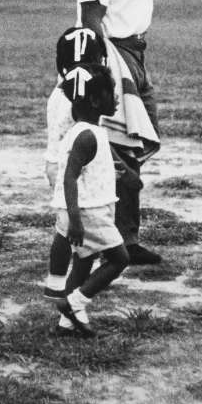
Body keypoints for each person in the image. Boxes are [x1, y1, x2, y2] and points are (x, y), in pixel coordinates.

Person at [72, 0, 162, 265]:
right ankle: (108, 241)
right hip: (111, 55)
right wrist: (104, 75)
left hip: (136, 52)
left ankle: (124, 236)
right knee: (118, 152)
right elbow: (91, 21)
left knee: (137, 145)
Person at [50, 64, 130, 338]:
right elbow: (69, 179)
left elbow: (85, 170)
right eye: (112, 93)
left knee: (84, 262)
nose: (117, 99)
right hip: (87, 212)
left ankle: (66, 324)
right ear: (95, 100)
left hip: (83, 209)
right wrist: (75, 221)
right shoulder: (87, 134)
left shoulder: (86, 131)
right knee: (119, 259)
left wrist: (114, 172)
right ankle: (75, 303)